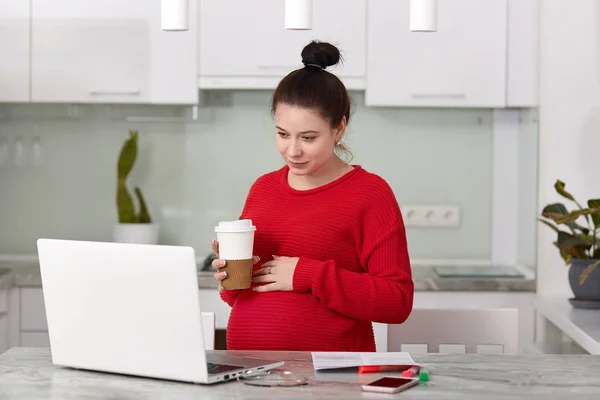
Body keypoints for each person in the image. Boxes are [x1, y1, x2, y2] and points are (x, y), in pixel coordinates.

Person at [211, 40, 414, 352]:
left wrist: (307, 274)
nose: (292, 150)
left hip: (332, 378)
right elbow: (238, 295)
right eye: (282, 134)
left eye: (308, 138)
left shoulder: (370, 193)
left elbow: (396, 301)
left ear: (339, 129)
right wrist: (231, 275)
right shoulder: (263, 188)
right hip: (248, 371)